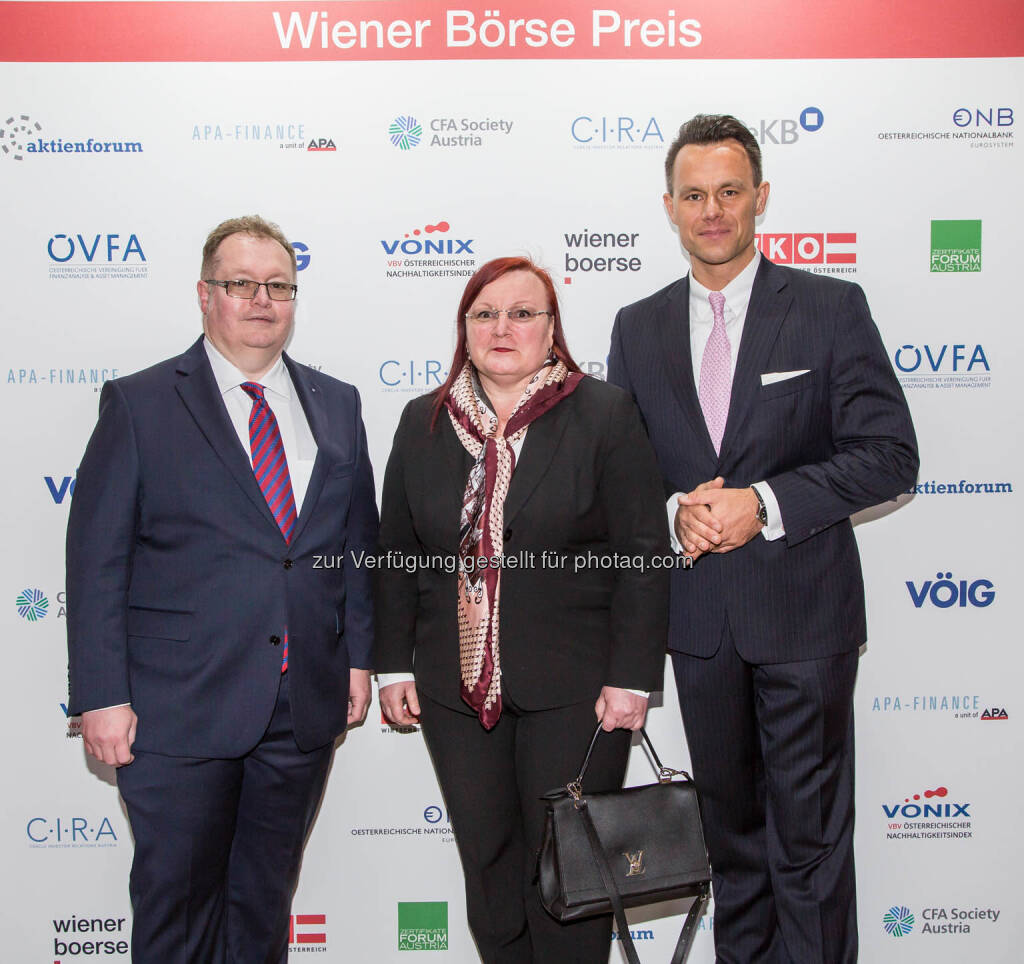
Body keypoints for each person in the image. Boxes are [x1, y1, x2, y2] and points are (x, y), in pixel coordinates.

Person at [608, 115, 919, 963]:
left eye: (730, 192)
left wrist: (766, 502)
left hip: (805, 616)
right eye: (695, 194)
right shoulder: (636, 328)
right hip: (700, 628)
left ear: (761, 198)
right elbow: (624, 477)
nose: (714, 210)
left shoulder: (829, 307)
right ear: (669, 206)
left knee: (810, 847)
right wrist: (676, 509)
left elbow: (892, 455)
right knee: (732, 846)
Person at [65, 214, 378, 963]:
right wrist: (101, 694)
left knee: (264, 905)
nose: (261, 299)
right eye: (241, 284)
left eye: (279, 286)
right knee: (177, 910)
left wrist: (359, 658)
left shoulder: (337, 404)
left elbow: (356, 546)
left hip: (299, 704)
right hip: (178, 706)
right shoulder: (140, 404)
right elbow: (95, 559)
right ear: (205, 295)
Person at [376, 256, 669, 963]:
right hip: (453, 688)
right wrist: (390, 665)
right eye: (484, 314)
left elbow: (641, 553)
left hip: (577, 690)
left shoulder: (604, 412)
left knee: (572, 868)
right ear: (464, 328)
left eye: (521, 313)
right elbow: (395, 554)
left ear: (551, 329)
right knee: (488, 863)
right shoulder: (423, 421)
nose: (502, 328)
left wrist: (633, 678)